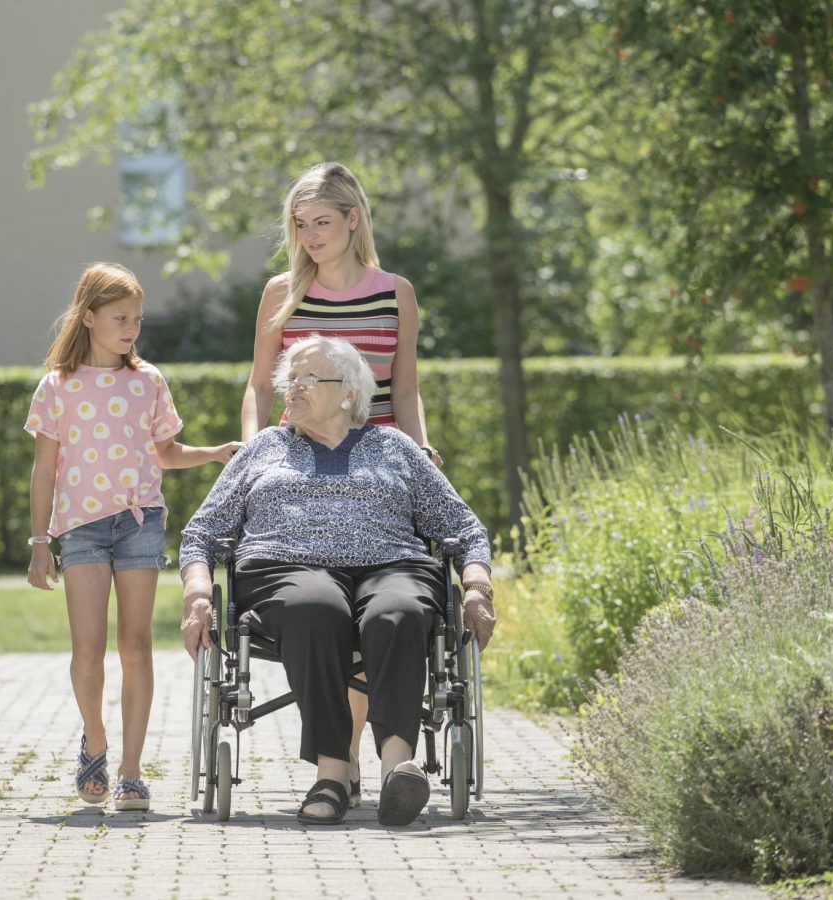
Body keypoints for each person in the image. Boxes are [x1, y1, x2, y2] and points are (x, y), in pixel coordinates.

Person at [182, 335, 495, 826]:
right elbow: (203, 531)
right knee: (316, 608)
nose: (293, 389)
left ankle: (399, 770)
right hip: (285, 568)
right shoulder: (264, 448)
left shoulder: (395, 447)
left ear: (350, 393)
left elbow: (463, 527)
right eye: (291, 379)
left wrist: (476, 588)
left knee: (402, 611)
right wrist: (198, 591)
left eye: (308, 378)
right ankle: (333, 771)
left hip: (392, 565)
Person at [239, 161, 442, 800]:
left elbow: (403, 389)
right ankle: (342, 760)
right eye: (300, 226)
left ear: (353, 220)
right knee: (321, 599)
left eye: (321, 223)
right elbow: (258, 384)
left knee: (380, 596)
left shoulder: (394, 293)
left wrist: (419, 449)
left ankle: (348, 760)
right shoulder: (283, 294)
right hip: (302, 463)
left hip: (378, 466)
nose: (309, 238)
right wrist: (253, 450)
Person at [25, 262, 239, 812]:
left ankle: (130, 770)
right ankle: (94, 739)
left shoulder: (149, 382)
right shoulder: (58, 386)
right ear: (89, 317)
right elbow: (45, 470)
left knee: (136, 643)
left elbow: (166, 453)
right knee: (89, 648)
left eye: (137, 319)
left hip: (140, 521)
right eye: (120, 318)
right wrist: (39, 542)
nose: (131, 329)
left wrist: (213, 453)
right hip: (79, 529)